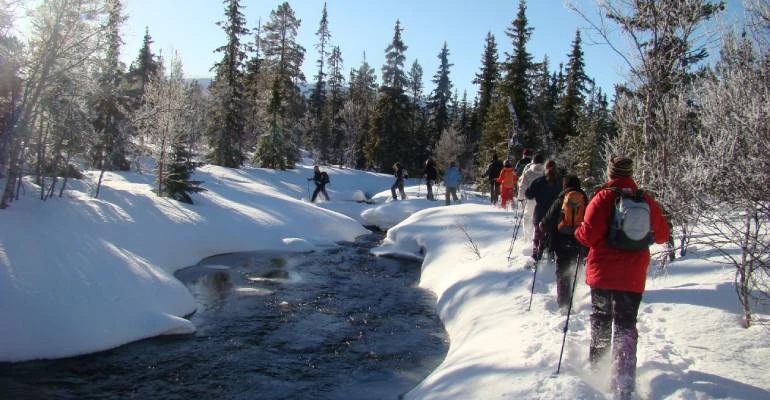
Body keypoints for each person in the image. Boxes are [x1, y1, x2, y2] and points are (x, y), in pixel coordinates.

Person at [574, 156, 670, 400]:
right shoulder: (644, 199)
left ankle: (598, 369)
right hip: (632, 276)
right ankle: (624, 378)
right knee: (626, 323)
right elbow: (662, 235)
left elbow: (588, 236)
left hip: (603, 274)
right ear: (631, 172)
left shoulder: (603, 197)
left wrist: (577, 231)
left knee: (601, 319)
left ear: (610, 172)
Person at [539, 175, 588, 314]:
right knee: (573, 269)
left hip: (561, 241)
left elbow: (546, 222)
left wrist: (544, 232)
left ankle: (564, 304)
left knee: (562, 272)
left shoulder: (560, 199)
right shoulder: (584, 200)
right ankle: (573, 297)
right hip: (579, 240)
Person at [525, 159, 561, 261]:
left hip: (540, 214)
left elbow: (529, 195)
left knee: (538, 236)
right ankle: (551, 256)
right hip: (555, 215)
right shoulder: (560, 182)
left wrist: (528, 189)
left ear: (545, 168)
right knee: (552, 237)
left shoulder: (539, 181)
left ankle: (536, 255)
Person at [517, 152, 545, 242]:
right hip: (542, 201)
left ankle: (528, 237)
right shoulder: (545, 173)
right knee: (539, 220)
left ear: (533, 161)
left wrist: (520, 198)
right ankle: (537, 238)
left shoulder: (528, 172)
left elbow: (522, 186)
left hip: (530, 200)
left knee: (527, 218)